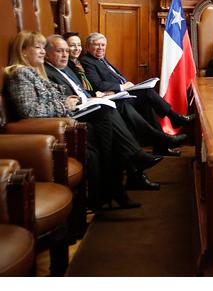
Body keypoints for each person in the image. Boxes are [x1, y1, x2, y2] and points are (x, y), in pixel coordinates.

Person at [4, 31, 141, 210]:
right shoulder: (20, 73)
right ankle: (121, 177)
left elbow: (48, 100)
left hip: (64, 122)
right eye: (38, 47)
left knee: (106, 123)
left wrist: (66, 100)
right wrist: (64, 105)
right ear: (23, 52)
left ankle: (109, 191)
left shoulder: (36, 72)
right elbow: (29, 111)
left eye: (43, 47)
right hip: (52, 129)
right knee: (105, 122)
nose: (43, 51)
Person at [45, 34, 162, 192]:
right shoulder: (48, 72)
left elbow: (82, 91)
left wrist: (96, 96)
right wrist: (90, 97)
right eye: (60, 51)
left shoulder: (66, 68)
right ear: (47, 54)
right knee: (113, 112)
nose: (65, 54)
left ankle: (134, 172)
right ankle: (142, 154)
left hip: (90, 103)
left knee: (126, 106)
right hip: (75, 115)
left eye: (67, 50)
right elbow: (67, 100)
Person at [80, 32, 192, 155]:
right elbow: (98, 84)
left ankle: (162, 146)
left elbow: (115, 77)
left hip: (124, 93)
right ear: (88, 47)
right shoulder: (87, 61)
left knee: (147, 102)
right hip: (114, 99)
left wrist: (128, 85)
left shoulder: (102, 60)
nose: (100, 48)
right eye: (96, 45)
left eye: (103, 45)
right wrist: (122, 86)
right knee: (147, 92)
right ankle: (174, 119)